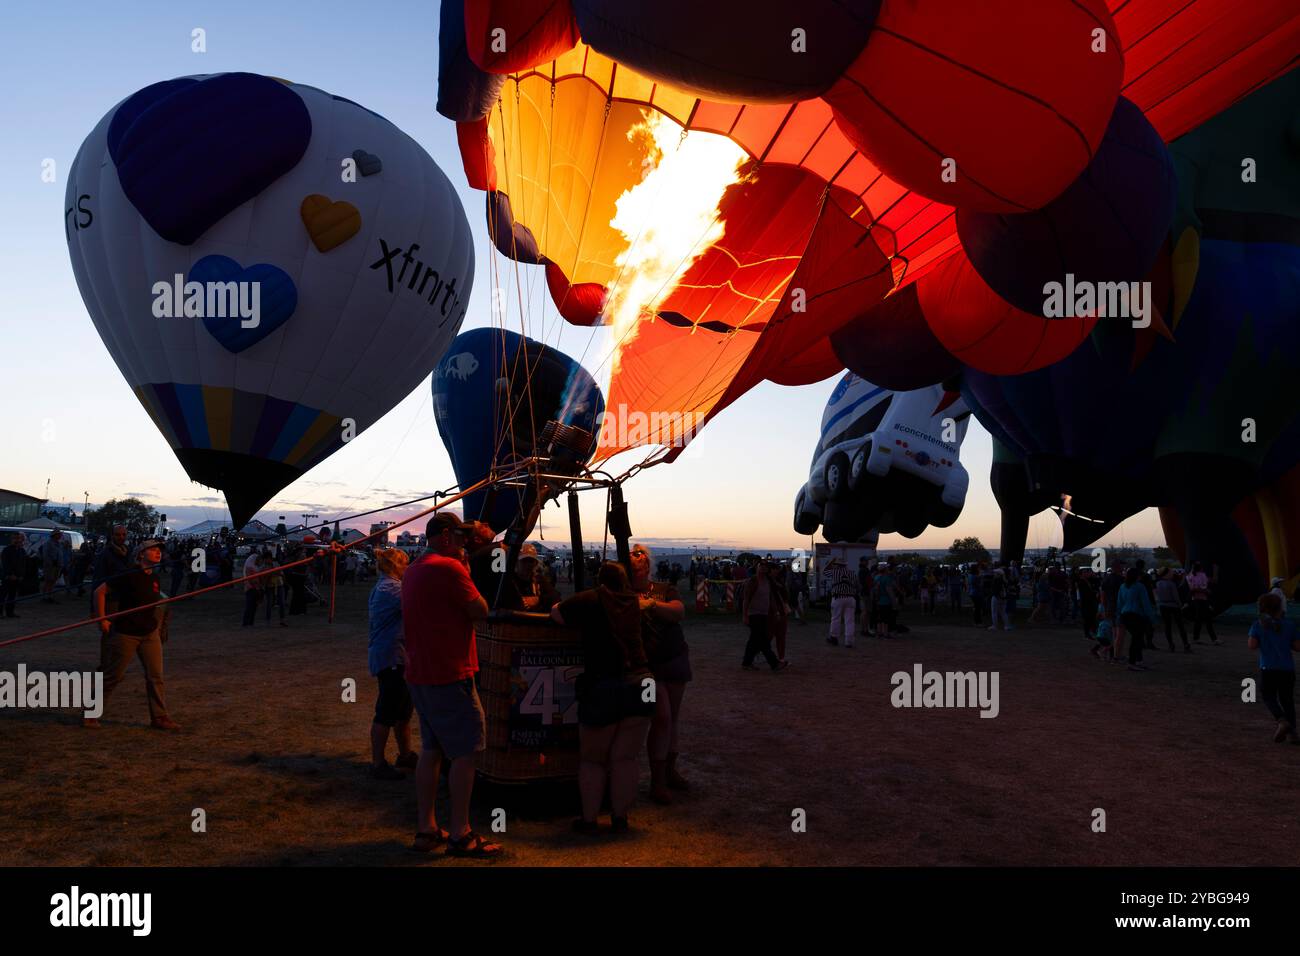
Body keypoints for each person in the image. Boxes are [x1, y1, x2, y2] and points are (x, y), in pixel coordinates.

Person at [401, 512, 499, 857]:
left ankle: (427, 829)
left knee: (432, 749)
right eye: (460, 538)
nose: (464, 544)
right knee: (467, 751)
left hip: (420, 673)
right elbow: (481, 610)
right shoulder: (450, 569)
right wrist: (467, 567)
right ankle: (461, 832)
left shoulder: (413, 569)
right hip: (450, 672)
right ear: (445, 537)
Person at [552, 561, 656, 833]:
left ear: (599, 579)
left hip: (604, 683)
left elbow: (557, 614)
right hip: (642, 682)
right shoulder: (634, 601)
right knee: (626, 758)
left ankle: (589, 820)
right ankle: (620, 818)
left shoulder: (591, 599)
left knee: (593, 759)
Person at [91, 539, 179, 730]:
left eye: (159, 550)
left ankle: (159, 717)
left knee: (156, 676)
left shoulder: (154, 578)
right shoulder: (128, 574)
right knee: (113, 675)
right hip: (126, 633)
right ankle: (91, 713)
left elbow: (158, 603)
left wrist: (160, 625)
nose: (158, 553)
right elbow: (99, 592)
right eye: (153, 550)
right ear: (141, 554)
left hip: (149, 633)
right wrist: (102, 619)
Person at [629, 543, 692, 804]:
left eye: (641, 555)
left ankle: (669, 771)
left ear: (649, 565)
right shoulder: (625, 594)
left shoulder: (664, 590)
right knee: (662, 717)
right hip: (648, 664)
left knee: (672, 718)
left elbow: (678, 611)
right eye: (633, 555)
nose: (638, 558)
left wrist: (651, 606)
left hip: (674, 657)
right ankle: (657, 781)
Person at [368, 548, 417, 779]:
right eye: (405, 564)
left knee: (402, 712)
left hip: (397, 655)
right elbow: (420, 603)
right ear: (394, 566)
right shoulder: (392, 588)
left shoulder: (388, 586)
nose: (407, 568)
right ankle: (378, 764)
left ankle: (405, 755)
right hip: (391, 656)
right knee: (386, 712)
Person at [1248, 591, 1300, 743]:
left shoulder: (1258, 625)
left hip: (1268, 668)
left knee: (1268, 696)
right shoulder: (1289, 625)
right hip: (1287, 669)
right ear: (1280, 608)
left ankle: (1281, 720)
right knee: (1287, 700)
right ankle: (1293, 733)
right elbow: (1298, 646)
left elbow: (1252, 645)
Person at [742, 560, 789, 669]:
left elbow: (770, 598)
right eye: (761, 565)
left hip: (764, 614)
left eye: (765, 566)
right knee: (763, 640)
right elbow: (746, 599)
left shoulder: (768, 581)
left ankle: (747, 662)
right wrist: (744, 615)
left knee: (754, 639)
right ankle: (774, 663)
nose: (763, 568)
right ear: (757, 567)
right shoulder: (753, 581)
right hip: (754, 614)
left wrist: (775, 611)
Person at [1117, 568, 1158, 672]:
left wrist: (1118, 616)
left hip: (1125, 615)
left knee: (1137, 638)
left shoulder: (1122, 586)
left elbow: (1119, 603)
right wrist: (1152, 618)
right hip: (1136, 615)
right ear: (1137, 576)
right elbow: (1146, 604)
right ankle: (1132, 662)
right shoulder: (1140, 586)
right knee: (1137, 639)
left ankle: (1138, 661)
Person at [823, 558, 857, 648]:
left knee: (835, 618)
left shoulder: (834, 572)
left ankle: (834, 637)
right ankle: (849, 641)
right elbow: (856, 584)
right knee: (850, 621)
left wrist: (831, 562)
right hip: (850, 598)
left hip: (838, 598)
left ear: (837, 565)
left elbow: (825, 571)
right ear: (845, 565)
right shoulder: (852, 573)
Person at [1154, 568, 1190, 652]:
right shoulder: (1171, 584)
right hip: (1173, 606)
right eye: (1170, 572)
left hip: (1163, 605)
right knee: (1180, 626)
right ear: (1166, 574)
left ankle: (1171, 645)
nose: (1172, 574)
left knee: (1167, 626)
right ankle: (1186, 644)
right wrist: (1180, 605)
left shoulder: (1158, 583)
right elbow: (1176, 597)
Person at [1185, 561, 1221, 645]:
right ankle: (1213, 639)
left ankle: (1196, 638)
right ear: (1200, 568)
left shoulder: (1189, 576)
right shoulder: (1202, 575)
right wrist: (1215, 570)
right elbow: (1214, 581)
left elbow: (1192, 589)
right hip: (1202, 599)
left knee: (1199, 619)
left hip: (1196, 600)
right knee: (1207, 619)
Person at [872, 562, 901, 638]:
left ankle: (879, 632)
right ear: (885, 569)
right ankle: (885, 633)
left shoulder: (877, 577)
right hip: (886, 600)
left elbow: (875, 590)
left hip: (878, 600)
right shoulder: (887, 578)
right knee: (886, 618)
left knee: (879, 617)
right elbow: (889, 591)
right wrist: (894, 602)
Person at [2, 532, 26, 619]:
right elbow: (5, 564)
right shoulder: (7, 550)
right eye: (14, 538)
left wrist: (21, 575)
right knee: (3, 595)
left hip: (17, 577)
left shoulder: (21, 550)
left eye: (18, 538)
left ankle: (10, 612)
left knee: (12, 596)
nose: (16, 540)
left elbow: (23, 564)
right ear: (11, 540)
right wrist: (10, 574)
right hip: (8, 577)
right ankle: (0, 613)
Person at [40, 529, 65, 602]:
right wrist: (50, 562)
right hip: (50, 566)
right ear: (54, 535)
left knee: (53, 581)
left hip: (57, 565)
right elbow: (45, 555)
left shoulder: (59, 544)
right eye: (59, 534)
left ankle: (50, 596)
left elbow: (60, 554)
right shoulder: (48, 543)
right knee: (48, 581)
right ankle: (44, 596)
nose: (60, 536)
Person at [241, 548, 263, 626]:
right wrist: (256, 583)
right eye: (258, 559)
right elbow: (250, 579)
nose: (260, 561)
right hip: (250, 589)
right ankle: (246, 623)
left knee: (254, 607)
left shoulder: (256, 568)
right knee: (249, 606)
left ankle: (250, 622)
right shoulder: (249, 568)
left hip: (256, 589)